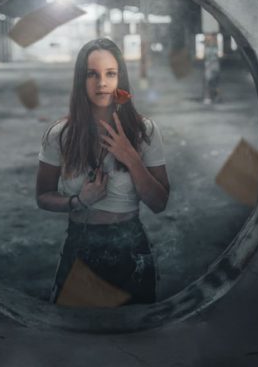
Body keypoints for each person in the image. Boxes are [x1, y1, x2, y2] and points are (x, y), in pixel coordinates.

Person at [36, 38, 170, 305]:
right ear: (80, 80)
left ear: (121, 78)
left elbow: (159, 203)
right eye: (91, 74)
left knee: (136, 337)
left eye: (110, 73)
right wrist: (79, 201)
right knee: (74, 337)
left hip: (130, 246)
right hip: (80, 245)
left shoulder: (146, 131)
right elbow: (43, 197)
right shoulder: (60, 135)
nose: (101, 83)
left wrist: (131, 159)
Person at [202, 33, 220, 104]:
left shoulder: (213, 47)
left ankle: (210, 98)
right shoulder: (211, 47)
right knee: (211, 83)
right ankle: (212, 97)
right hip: (212, 67)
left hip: (211, 67)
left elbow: (212, 57)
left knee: (210, 83)